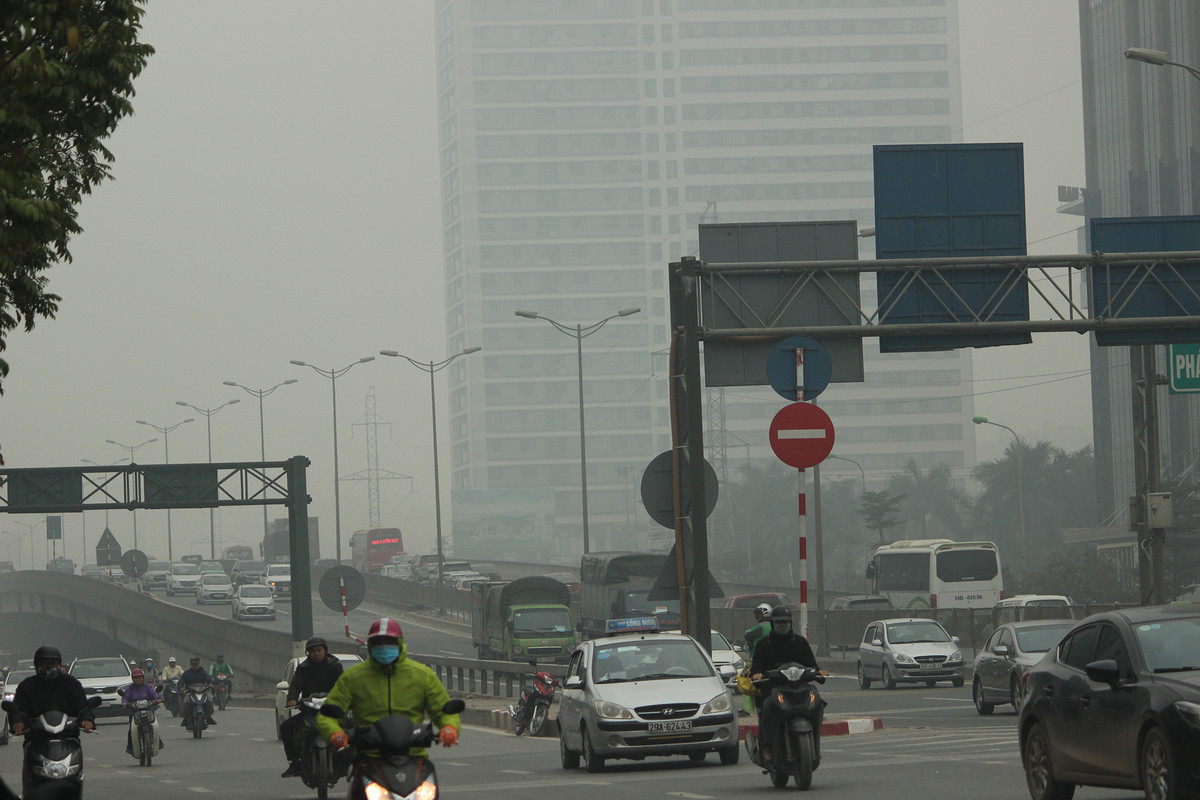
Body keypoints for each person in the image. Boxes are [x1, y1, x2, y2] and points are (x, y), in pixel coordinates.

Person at [315, 618, 460, 758]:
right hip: (368, 759)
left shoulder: (422, 675)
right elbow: (327, 715)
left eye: (389, 643)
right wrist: (335, 733)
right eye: (378, 643)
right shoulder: (353, 677)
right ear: (370, 645)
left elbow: (444, 710)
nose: (384, 647)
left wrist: (450, 727)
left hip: (413, 758)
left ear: (400, 643)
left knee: (430, 782)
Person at [8, 646, 95, 792]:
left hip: (67, 739)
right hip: (37, 739)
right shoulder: (27, 686)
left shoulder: (71, 684)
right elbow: (18, 708)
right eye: (44, 663)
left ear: (59, 665)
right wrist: (18, 722)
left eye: (53, 663)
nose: (48, 667)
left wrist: (87, 719)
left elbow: (82, 706)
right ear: (36, 665)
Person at [750, 606, 827, 763]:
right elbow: (756, 669)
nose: (782, 625)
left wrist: (819, 673)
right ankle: (768, 747)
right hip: (773, 689)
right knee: (767, 706)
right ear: (772, 624)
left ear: (791, 623)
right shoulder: (763, 644)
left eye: (785, 622)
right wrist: (757, 675)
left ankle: (815, 743)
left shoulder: (800, 642)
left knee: (818, 703)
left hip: (800, 689)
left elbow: (812, 665)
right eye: (779, 622)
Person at [279, 637, 344, 778]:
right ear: (308, 653)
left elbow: (343, 685)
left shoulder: (336, 667)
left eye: (319, 650)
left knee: (352, 726)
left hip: (331, 710)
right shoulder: (303, 669)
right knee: (286, 727)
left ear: (325, 650)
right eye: (312, 651)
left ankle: (350, 760)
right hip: (309, 709)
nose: (316, 653)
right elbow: (295, 685)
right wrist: (292, 699)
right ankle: (295, 762)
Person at [121, 668, 163, 756]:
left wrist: (157, 699)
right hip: (134, 712)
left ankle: (158, 741)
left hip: (148, 710)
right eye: (136, 678)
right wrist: (125, 702)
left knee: (154, 726)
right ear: (133, 679)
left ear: (143, 678)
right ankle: (130, 747)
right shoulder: (129, 689)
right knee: (131, 729)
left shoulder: (148, 687)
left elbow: (154, 694)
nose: (138, 679)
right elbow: (125, 697)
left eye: (139, 677)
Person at [178, 657, 217, 726]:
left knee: (210, 701)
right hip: (190, 692)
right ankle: (186, 718)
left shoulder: (203, 672)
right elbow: (181, 681)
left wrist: (211, 684)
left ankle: (208, 717)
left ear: (199, 664)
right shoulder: (187, 673)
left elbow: (209, 679)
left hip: (203, 691)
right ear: (191, 664)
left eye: (196, 664)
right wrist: (181, 687)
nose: (195, 666)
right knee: (185, 702)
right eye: (193, 664)